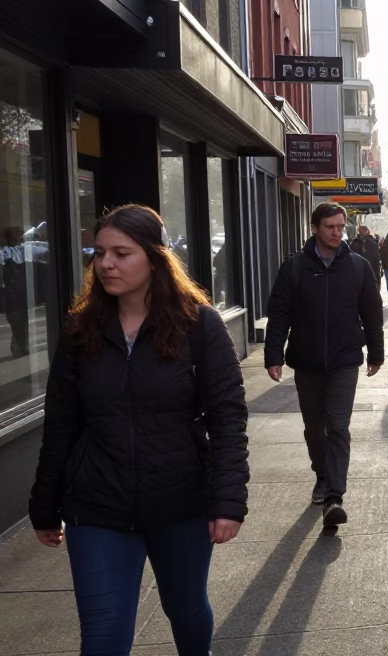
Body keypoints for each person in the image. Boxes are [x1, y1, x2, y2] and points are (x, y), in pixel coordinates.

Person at [28, 204, 249, 656]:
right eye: (100, 252)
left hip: (180, 502)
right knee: (104, 639)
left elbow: (227, 416)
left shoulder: (198, 324)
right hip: (98, 507)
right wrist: (45, 503)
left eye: (121, 253)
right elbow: (62, 422)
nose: (106, 263)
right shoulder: (81, 329)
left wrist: (228, 500)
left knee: (186, 611)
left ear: (154, 257)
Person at [265, 203, 385, 527]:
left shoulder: (358, 267)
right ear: (314, 228)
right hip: (306, 361)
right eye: (330, 226)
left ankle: (333, 496)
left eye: (340, 226)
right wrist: (273, 354)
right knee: (314, 427)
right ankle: (321, 474)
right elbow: (279, 314)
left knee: (338, 426)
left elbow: (373, 315)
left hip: (345, 360)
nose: (336, 232)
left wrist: (376, 353)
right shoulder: (293, 268)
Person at [1, 226, 30, 357]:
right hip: (14, 295)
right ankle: (20, 347)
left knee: (21, 322)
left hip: (17, 294)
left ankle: (20, 346)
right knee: (18, 322)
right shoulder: (8, 256)